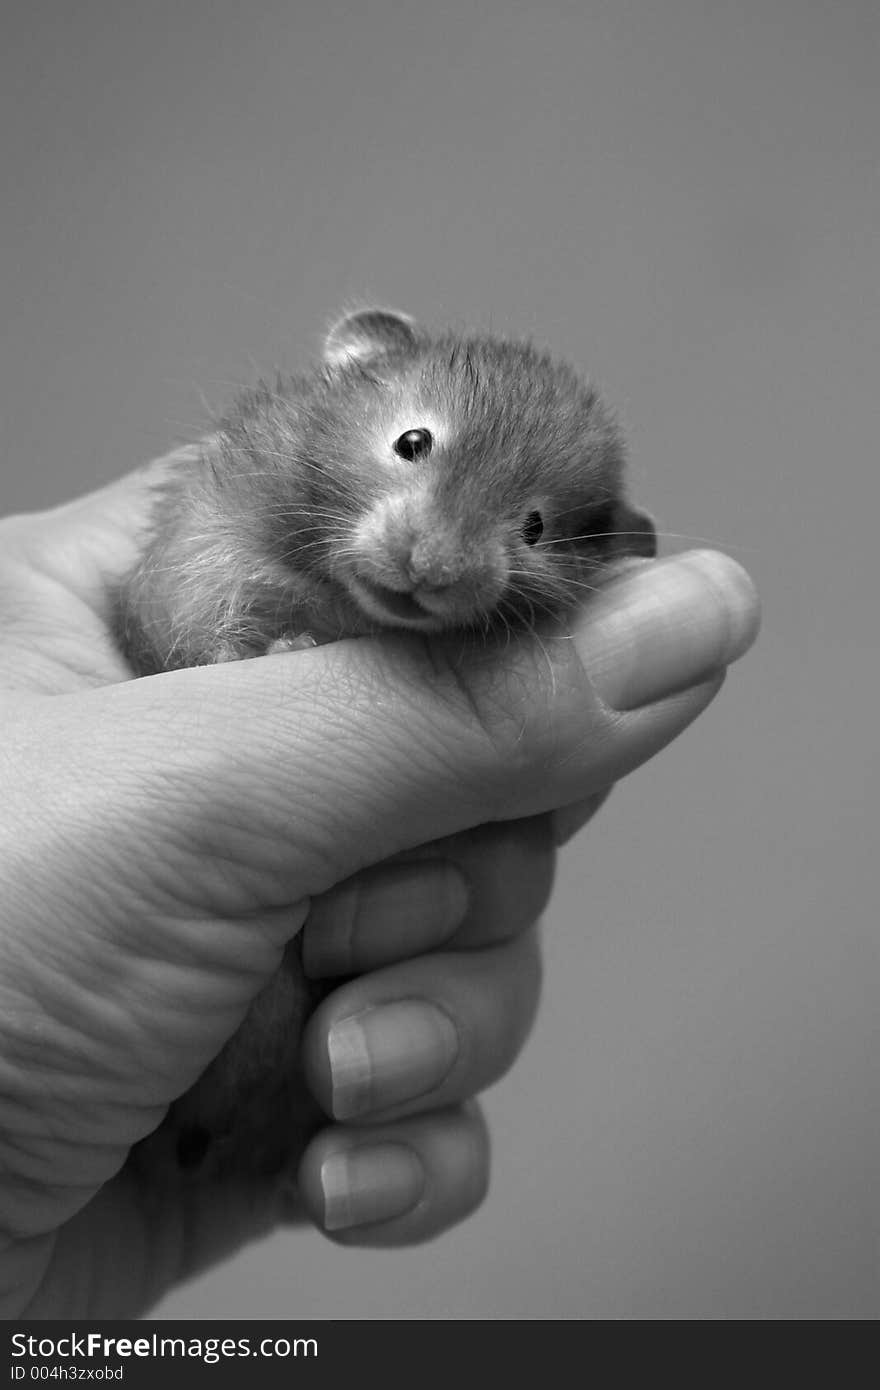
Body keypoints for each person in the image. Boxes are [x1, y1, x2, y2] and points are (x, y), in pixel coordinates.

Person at [0, 452, 759, 1317]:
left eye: (532, 528)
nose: (433, 556)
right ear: (354, 369)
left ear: (604, 549)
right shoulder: (240, 500)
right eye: (413, 448)